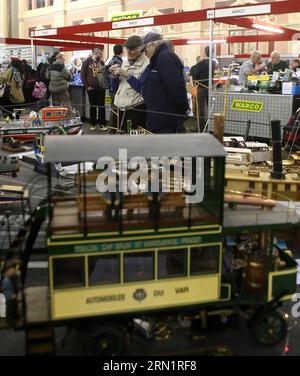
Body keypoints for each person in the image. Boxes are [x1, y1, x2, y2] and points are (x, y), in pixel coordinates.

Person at [112, 33, 189, 134]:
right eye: (127, 49)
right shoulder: (154, 61)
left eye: (144, 49)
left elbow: (176, 88)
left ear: (152, 45)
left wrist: (183, 110)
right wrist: (113, 77)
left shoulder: (163, 58)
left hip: (158, 117)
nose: (144, 52)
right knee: (123, 146)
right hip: (126, 110)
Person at [110, 36, 149, 131]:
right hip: (118, 108)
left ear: (141, 48)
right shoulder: (124, 62)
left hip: (136, 109)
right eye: (127, 49)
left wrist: (127, 75)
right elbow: (115, 88)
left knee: (133, 143)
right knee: (118, 143)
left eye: (132, 49)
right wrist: (114, 77)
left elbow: (144, 90)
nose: (128, 52)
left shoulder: (147, 64)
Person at [81, 48, 107, 132]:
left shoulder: (102, 63)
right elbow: (82, 76)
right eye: (100, 54)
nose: (101, 56)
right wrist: (87, 86)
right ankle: (92, 124)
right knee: (92, 107)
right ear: (95, 54)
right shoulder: (86, 62)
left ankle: (102, 125)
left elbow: (105, 74)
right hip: (91, 89)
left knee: (101, 107)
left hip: (101, 88)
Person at [193, 47, 216, 132]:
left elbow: (195, 76)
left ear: (204, 52)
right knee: (210, 108)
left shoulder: (200, 63)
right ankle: (209, 126)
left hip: (201, 88)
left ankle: (201, 128)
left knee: (201, 110)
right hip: (210, 88)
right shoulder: (213, 63)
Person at [0, 259, 21, 324]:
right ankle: (10, 319)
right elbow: (5, 290)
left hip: (13, 294)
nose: (15, 271)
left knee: (14, 305)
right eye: (13, 269)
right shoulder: (6, 280)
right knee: (11, 307)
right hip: (9, 296)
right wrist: (11, 295)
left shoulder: (13, 277)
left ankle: (14, 315)